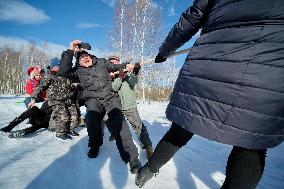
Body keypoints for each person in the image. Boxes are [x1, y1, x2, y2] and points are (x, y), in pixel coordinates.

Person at [136, 0, 284, 188]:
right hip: (267, 73)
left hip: (207, 66)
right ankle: (149, 169)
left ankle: (148, 170)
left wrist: (164, 51)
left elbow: (190, 19)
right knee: (251, 142)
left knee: (182, 126)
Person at [59, 40, 142, 174]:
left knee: (119, 121)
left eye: (86, 55)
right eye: (80, 57)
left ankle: (132, 158)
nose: (84, 57)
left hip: (110, 97)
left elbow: (116, 66)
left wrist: (126, 66)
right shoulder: (77, 72)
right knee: (91, 117)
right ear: (78, 62)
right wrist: (71, 51)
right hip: (93, 98)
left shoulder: (102, 62)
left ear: (90, 56)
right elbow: (63, 71)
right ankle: (95, 145)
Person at [107, 56, 154, 159]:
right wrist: (119, 77)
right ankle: (116, 135)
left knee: (138, 126)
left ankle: (148, 146)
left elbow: (133, 81)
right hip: (117, 108)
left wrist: (135, 70)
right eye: (112, 62)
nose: (114, 63)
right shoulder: (109, 76)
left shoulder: (128, 74)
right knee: (116, 125)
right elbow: (113, 88)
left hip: (129, 106)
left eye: (116, 61)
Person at [28, 58, 79, 140]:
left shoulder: (64, 75)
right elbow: (39, 88)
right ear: (52, 67)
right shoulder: (48, 76)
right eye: (58, 66)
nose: (61, 67)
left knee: (74, 115)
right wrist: (33, 99)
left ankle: (70, 129)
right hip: (55, 100)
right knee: (63, 115)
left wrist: (74, 86)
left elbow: (70, 85)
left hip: (67, 99)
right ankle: (60, 133)